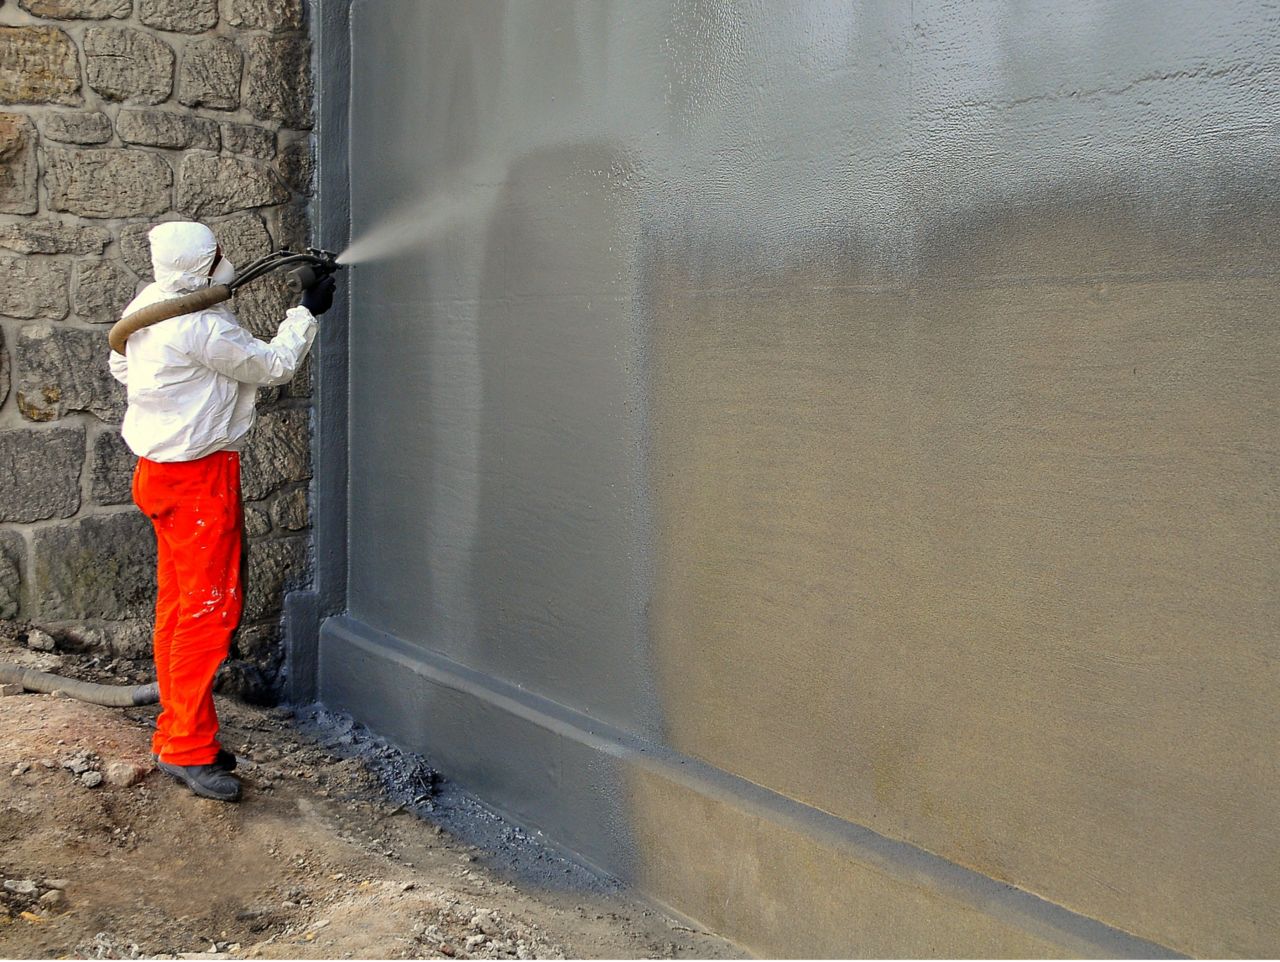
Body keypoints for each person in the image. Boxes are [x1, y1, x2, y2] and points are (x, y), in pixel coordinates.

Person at [108, 221, 336, 802]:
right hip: (199, 484)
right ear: (207, 263)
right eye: (219, 253)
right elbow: (273, 366)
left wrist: (175, 398)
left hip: (158, 476)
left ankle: (181, 730)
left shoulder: (152, 303)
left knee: (179, 607)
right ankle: (185, 748)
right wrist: (308, 310)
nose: (227, 258)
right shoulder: (201, 325)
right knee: (208, 615)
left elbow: (121, 365)